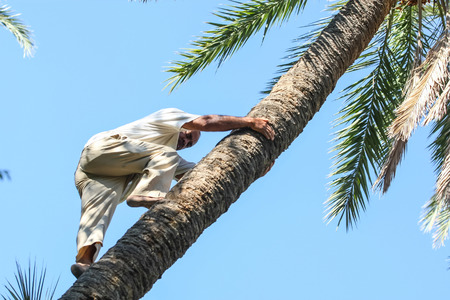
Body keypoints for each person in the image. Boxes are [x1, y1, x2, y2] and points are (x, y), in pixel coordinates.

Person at [71, 108, 275, 278]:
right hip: (103, 148)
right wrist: (249, 122)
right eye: (187, 136)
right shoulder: (169, 118)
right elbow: (205, 121)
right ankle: (150, 194)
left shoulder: (159, 157)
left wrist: (254, 169)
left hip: (93, 172)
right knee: (166, 154)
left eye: (189, 144)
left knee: (96, 213)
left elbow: (205, 172)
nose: (184, 143)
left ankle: (84, 261)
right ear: (184, 126)